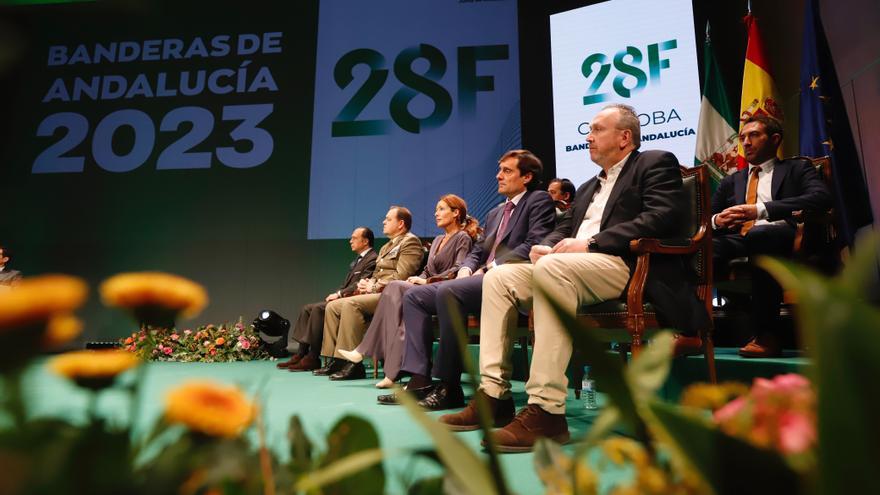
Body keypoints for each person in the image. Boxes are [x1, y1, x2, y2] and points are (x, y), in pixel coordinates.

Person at [438, 104, 709, 452]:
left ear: (625, 137)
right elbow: (562, 229)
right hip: (575, 268)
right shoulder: (586, 187)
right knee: (502, 277)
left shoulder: (655, 162)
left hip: (626, 264)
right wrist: (545, 247)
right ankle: (494, 396)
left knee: (552, 269)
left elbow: (662, 216)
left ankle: (547, 410)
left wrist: (592, 242)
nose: (588, 135)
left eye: (597, 129)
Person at [380, 150, 555, 409]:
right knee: (415, 296)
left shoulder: (538, 200)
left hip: (511, 278)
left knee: (449, 292)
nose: (498, 175)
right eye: (499, 169)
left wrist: (492, 266)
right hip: (479, 278)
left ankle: (449, 386)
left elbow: (534, 243)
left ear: (527, 177)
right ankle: (420, 381)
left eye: (507, 171)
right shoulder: (496, 212)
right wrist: (466, 268)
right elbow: (478, 250)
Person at [709, 114, 830, 358]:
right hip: (739, 238)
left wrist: (760, 210)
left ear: (775, 139)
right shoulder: (732, 180)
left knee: (760, 233)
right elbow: (707, 218)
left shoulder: (797, 168)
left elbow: (821, 198)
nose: (746, 142)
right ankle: (692, 331)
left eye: (754, 135)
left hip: (782, 234)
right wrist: (716, 220)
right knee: (702, 246)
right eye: (743, 137)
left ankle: (767, 335)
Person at [338, 194, 480, 388]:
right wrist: (421, 278)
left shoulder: (462, 237)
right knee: (398, 308)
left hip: (444, 288)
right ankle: (392, 371)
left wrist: (426, 281)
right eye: (436, 209)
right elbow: (428, 269)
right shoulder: (438, 239)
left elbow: (458, 268)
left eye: (441, 209)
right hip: (427, 286)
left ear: (456, 213)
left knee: (395, 286)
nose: (436, 213)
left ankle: (366, 352)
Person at [317, 206, 424, 380]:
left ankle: (353, 366)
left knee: (351, 303)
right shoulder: (385, 247)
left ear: (401, 224)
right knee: (333, 306)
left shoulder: (410, 242)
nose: (384, 221)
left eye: (388, 219)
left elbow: (401, 276)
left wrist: (373, 287)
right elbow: (376, 274)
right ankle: (336, 359)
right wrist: (368, 282)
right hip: (379, 292)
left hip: (394, 295)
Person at [277, 227, 378, 372]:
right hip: (345, 298)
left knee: (318, 309)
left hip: (355, 300)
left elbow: (361, 283)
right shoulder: (358, 260)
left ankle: (313, 357)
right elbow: (346, 284)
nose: (350, 241)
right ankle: (301, 353)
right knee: (307, 308)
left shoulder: (372, 258)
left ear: (366, 241)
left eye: (354, 238)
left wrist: (339, 294)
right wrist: (339, 292)